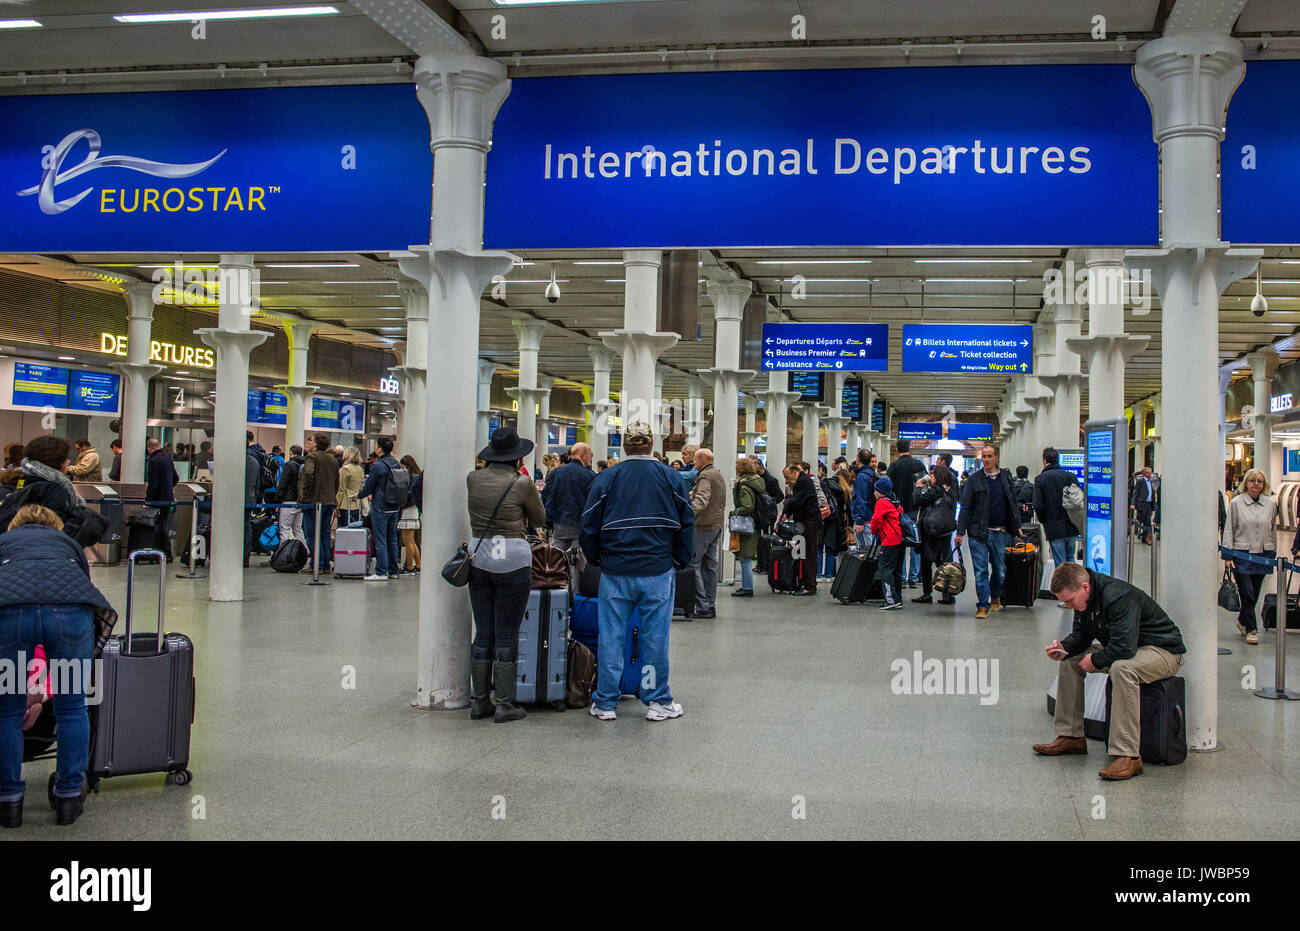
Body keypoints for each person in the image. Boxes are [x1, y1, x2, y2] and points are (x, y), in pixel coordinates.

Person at [0, 504, 115, 827]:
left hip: (10, 616)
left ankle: (8, 800)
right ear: (55, 525)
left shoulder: (3, 543)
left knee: (7, 711)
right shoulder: (69, 544)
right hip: (69, 617)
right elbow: (84, 583)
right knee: (71, 708)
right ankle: (67, 797)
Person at [580, 420, 693, 722]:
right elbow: (686, 522)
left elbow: (589, 524)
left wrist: (597, 559)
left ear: (625, 445)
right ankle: (658, 701)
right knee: (654, 637)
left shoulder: (607, 478)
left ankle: (605, 702)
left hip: (615, 571)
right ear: (652, 444)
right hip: (657, 569)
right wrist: (681, 559)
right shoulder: (671, 477)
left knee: (611, 636)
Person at [1035, 562, 1187, 781]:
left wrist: (1096, 660)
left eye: (1069, 601)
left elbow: (1124, 648)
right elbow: (1082, 636)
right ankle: (1071, 736)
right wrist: (1064, 648)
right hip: (1130, 647)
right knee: (1070, 661)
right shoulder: (1084, 601)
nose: (1068, 607)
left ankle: (1128, 755)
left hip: (1163, 651)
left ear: (1085, 587)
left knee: (1122, 669)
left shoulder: (1118, 597)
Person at [464, 427, 547, 723]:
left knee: (484, 631)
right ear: (516, 457)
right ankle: (505, 703)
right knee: (507, 632)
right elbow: (540, 518)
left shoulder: (472, 478)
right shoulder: (522, 482)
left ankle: (478, 702)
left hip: (480, 556)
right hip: (512, 556)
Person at [0, 436, 107, 547]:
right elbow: (56, 530)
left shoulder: (16, 480)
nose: (69, 462)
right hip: (44, 553)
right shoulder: (53, 490)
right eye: (66, 458)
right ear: (57, 462)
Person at [955, 445, 1022, 619]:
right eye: (984, 456)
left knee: (1000, 570)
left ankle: (996, 595)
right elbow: (966, 507)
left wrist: (1016, 526)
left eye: (989, 456)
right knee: (980, 571)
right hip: (978, 533)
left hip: (1000, 532)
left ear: (996, 458)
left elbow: (1012, 503)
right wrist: (960, 532)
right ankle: (982, 605)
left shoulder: (1005, 478)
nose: (986, 459)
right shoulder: (974, 480)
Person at [1222, 468, 1277, 646]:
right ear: (1246, 482)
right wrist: (1228, 555)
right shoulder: (1237, 503)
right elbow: (1229, 528)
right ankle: (1252, 630)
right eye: (1252, 481)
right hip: (1241, 554)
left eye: (1259, 481)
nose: (1256, 484)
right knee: (1247, 594)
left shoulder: (1270, 504)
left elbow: (1272, 530)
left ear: (1264, 484)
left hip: (1262, 553)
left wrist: (1272, 552)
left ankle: (1242, 620)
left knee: (1255, 591)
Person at [356, 436, 402, 581]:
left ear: (380, 449)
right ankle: (393, 570)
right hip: (394, 506)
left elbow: (369, 487)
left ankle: (381, 571)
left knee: (380, 539)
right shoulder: (396, 464)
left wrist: (358, 495)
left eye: (376, 445)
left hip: (381, 506)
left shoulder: (378, 466)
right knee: (392, 539)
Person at [688, 448, 725, 619]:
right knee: (710, 566)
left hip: (702, 527)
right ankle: (710, 604)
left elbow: (702, 500)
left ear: (703, 459)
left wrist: (688, 514)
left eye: (695, 459)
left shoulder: (704, 476)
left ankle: (702, 606)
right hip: (716, 526)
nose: (693, 462)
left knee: (692, 565)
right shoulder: (717, 474)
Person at [913, 466, 958, 605]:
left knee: (926, 561)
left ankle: (927, 594)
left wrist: (919, 486)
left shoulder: (936, 490)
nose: (931, 478)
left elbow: (919, 500)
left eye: (933, 476)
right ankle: (947, 594)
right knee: (943, 562)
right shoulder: (950, 491)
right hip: (944, 531)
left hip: (932, 531)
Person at [1032, 447, 1082, 570]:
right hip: (1071, 525)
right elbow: (1080, 497)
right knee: (1071, 560)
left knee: (1060, 563)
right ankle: (1073, 587)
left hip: (1054, 527)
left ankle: (1063, 588)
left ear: (1044, 460)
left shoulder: (1040, 479)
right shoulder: (1070, 476)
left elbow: (1038, 504)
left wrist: (1044, 520)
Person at [540, 442, 595, 553]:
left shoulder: (556, 472)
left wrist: (548, 520)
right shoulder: (590, 476)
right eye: (590, 455)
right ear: (582, 455)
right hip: (580, 527)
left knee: (556, 559)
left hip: (559, 525)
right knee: (579, 561)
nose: (591, 458)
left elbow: (545, 496)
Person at [298, 433, 340, 574]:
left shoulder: (312, 457)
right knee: (324, 534)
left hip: (314, 502)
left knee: (312, 534)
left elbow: (308, 476)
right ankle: (326, 565)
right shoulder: (332, 459)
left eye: (310, 440)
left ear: (315, 444)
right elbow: (336, 482)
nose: (308, 442)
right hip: (329, 501)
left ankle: (317, 564)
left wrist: (304, 499)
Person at [888, 439, 927, 588]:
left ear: (898, 449)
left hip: (898, 510)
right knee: (916, 542)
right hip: (916, 509)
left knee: (901, 542)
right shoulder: (918, 465)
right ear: (909, 449)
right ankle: (914, 577)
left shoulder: (894, 466)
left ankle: (902, 576)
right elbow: (926, 486)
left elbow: (888, 488)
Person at [781, 462, 822, 596]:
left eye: (788, 477)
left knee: (809, 554)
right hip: (807, 522)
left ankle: (810, 586)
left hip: (810, 522)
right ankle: (805, 583)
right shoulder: (801, 481)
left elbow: (796, 501)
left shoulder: (803, 482)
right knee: (804, 553)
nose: (787, 481)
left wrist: (786, 507)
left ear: (795, 472)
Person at [731, 457, 765, 598]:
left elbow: (747, 506)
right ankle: (746, 586)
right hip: (755, 523)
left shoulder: (744, 486)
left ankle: (747, 587)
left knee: (744, 557)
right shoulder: (756, 482)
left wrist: (734, 512)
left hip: (746, 524)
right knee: (747, 556)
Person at [870, 476, 904, 609]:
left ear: (881, 491)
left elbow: (876, 519)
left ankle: (890, 600)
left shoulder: (882, 502)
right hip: (899, 539)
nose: (874, 493)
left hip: (889, 539)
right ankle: (897, 598)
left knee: (885, 569)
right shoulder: (895, 501)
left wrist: (875, 530)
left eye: (875, 490)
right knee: (896, 570)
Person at [144, 437, 179, 560]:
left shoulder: (154, 461)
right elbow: (176, 478)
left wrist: (148, 500)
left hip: (157, 499)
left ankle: (163, 553)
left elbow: (153, 483)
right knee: (163, 523)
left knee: (159, 526)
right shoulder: (168, 459)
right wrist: (168, 488)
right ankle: (165, 553)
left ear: (149, 448)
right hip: (168, 498)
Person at [819, 463, 850, 579]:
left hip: (823, 517)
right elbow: (848, 508)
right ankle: (829, 575)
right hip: (835, 520)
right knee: (830, 548)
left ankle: (818, 574)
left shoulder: (826, 483)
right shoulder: (844, 490)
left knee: (819, 547)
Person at [274, 445, 306, 545]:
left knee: (284, 528)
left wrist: (277, 500)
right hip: (300, 501)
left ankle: (284, 553)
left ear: (291, 453)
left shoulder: (289, 465)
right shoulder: (305, 465)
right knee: (298, 528)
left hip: (288, 500)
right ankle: (303, 551)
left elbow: (283, 483)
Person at [397, 455, 422, 575]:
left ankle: (409, 567)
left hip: (408, 510)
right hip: (413, 510)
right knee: (411, 541)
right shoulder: (416, 476)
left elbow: (411, 495)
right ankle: (418, 564)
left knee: (407, 541)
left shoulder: (413, 477)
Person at [244, 432, 266, 567]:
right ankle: (245, 558)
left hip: (238, 499)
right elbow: (257, 484)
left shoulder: (239, 459)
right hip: (250, 499)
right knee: (246, 527)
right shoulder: (254, 459)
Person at [851, 449, 877, 551]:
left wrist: (859, 520)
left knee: (864, 552)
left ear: (858, 459)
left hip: (864, 519)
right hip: (870, 516)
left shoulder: (862, 476)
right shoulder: (871, 474)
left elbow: (861, 499)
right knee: (871, 550)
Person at [336, 446, 364, 527]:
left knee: (343, 530)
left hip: (345, 504)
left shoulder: (345, 469)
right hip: (356, 504)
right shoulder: (360, 469)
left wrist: (337, 506)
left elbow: (341, 489)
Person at [1130, 466, 1156, 544]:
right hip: (1142, 504)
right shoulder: (1140, 482)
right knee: (1141, 519)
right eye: (1149, 472)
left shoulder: (1152, 481)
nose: (1151, 474)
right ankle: (1136, 533)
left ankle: (1144, 537)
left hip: (1149, 504)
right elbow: (1135, 493)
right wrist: (1133, 504)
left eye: (1151, 472)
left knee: (1148, 521)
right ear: (1145, 473)